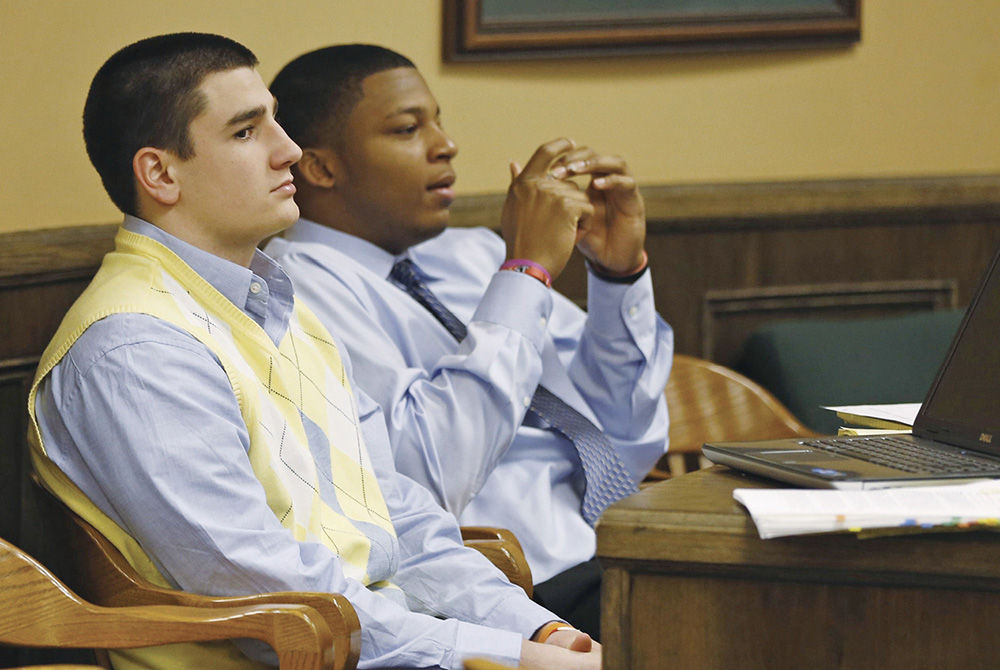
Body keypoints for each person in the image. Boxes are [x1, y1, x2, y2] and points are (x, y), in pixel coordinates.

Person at [26, 32, 600, 670]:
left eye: (275, 120)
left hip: (383, 642)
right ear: (160, 173)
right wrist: (504, 657)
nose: (290, 150)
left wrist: (542, 633)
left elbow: (398, 517)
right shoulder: (134, 349)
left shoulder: (282, 306)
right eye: (247, 132)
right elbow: (277, 601)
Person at [264, 44, 674, 639]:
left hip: (616, 548)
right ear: (321, 168)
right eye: (408, 128)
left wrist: (617, 277)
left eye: (438, 120)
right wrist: (527, 271)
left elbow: (626, 438)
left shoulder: (474, 253)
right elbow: (426, 480)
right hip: (512, 590)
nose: (444, 144)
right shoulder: (299, 290)